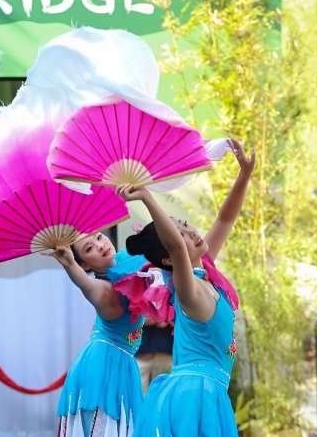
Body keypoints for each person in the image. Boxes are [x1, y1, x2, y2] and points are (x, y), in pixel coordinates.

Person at [127, 139, 254, 437]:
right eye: (181, 233)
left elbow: (225, 218)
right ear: (169, 258)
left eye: (185, 224)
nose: (191, 231)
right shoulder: (187, 290)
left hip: (208, 393)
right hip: (193, 396)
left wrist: (244, 176)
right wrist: (147, 197)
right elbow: (174, 244)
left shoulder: (206, 277)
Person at [46, 231, 148, 437]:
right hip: (102, 369)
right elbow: (86, 284)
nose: (100, 245)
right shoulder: (102, 290)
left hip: (122, 365)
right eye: (89, 248)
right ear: (84, 265)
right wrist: (69, 264)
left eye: (99, 237)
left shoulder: (127, 265)